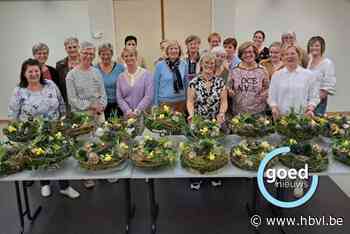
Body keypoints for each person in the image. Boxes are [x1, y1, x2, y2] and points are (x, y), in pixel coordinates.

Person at [8, 58, 80, 199]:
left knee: (59, 157)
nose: (34, 74)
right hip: (34, 133)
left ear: (40, 72)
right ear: (24, 73)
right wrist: (15, 133)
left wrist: (64, 119)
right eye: (30, 71)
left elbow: (60, 103)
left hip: (55, 129)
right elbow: (13, 113)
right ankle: (44, 184)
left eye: (36, 71)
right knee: (40, 157)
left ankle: (64, 186)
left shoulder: (50, 84)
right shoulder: (19, 91)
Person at [66, 41, 107, 189]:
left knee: (102, 142)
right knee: (85, 146)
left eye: (91, 53)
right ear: (80, 53)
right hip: (82, 118)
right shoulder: (71, 75)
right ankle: (87, 175)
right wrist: (90, 106)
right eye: (85, 53)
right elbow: (72, 99)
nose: (88, 56)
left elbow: (103, 93)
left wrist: (101, 106)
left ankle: (104, 168)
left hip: (99, 114)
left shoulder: (96, 72)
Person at [187, 52, 227, 190]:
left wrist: (221, 113)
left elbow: (224, 101)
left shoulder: (220, 82)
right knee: (198, 149)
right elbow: (190, 101)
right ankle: (197, 177)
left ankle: (214, 174)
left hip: (215, 122)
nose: (209, 66)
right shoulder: (194, 82)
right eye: (206, 63)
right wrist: (191, 115)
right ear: (201, 65)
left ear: (215, 66)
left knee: (213, 149)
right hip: (199, 122)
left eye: (212, 63)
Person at [268, 45, 320, 119]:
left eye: (292, 53)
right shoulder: (276, 75)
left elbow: (314, 97)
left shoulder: (309, 75)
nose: (289, 56)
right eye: (286, 54)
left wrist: (310, 109)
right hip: (281, 118)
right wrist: (274, 108)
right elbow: (271, 97)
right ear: (282, 57)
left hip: (302, 118)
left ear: (299, 56)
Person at [227, 41, 269, 115]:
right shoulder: (234, 70)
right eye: (245, 52)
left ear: (255, 53)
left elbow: (267, 87)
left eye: (250, 52)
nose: (248, 55)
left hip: (258, 111)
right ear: (241, 55)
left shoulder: (262, 70)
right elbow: (228, 87)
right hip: (238, 112)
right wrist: (230, 91)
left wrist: (264, 95)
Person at [117, 48, 153, 118]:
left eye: (131, 55)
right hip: (127, 115)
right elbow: (119, 98)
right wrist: (128, 111)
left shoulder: (147, 74)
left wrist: (137, 110)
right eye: (126, 56)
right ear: (123, 58)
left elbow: (149, 96)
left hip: (143, 114)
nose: (129, 58)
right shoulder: (120, 77)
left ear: (136, 57)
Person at [153, 40, 188, 113]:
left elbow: (186, 84)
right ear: (167, 51)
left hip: (181, 101)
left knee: (180, 124)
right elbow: (155, 85)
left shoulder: (184, 64)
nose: (173, 51)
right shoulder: (159, 65)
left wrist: (187, 101)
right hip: (164, 102)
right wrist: (155, 104)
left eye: (176, 48)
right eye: (171, 49)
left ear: (179, 51)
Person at [307, 36, 336, 116]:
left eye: (317, 45)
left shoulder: (327, 63)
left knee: (316, 126)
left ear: (322, 47)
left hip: (319, 101)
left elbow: (327, 87)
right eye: (311, 45)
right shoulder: (309, 62)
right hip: (307, 100)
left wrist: (312, 105)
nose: (313, 48)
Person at [95, 42, 125, 119]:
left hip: (118, 105)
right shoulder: (95, 69)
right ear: (99, 54)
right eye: (103, 54)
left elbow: (125, 87)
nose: (105, 56)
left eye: (108, 54)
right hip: (101, 106)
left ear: (112, 54)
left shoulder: (120, 68)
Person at [56, 37, 80, 106]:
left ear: (78, 47)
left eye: (74, 47)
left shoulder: (86, 63)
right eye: (69, 47)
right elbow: (59, 85)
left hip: (84, 101)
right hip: (67, 101)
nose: (72, 50)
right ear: (65, 49)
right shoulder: (59, 65)